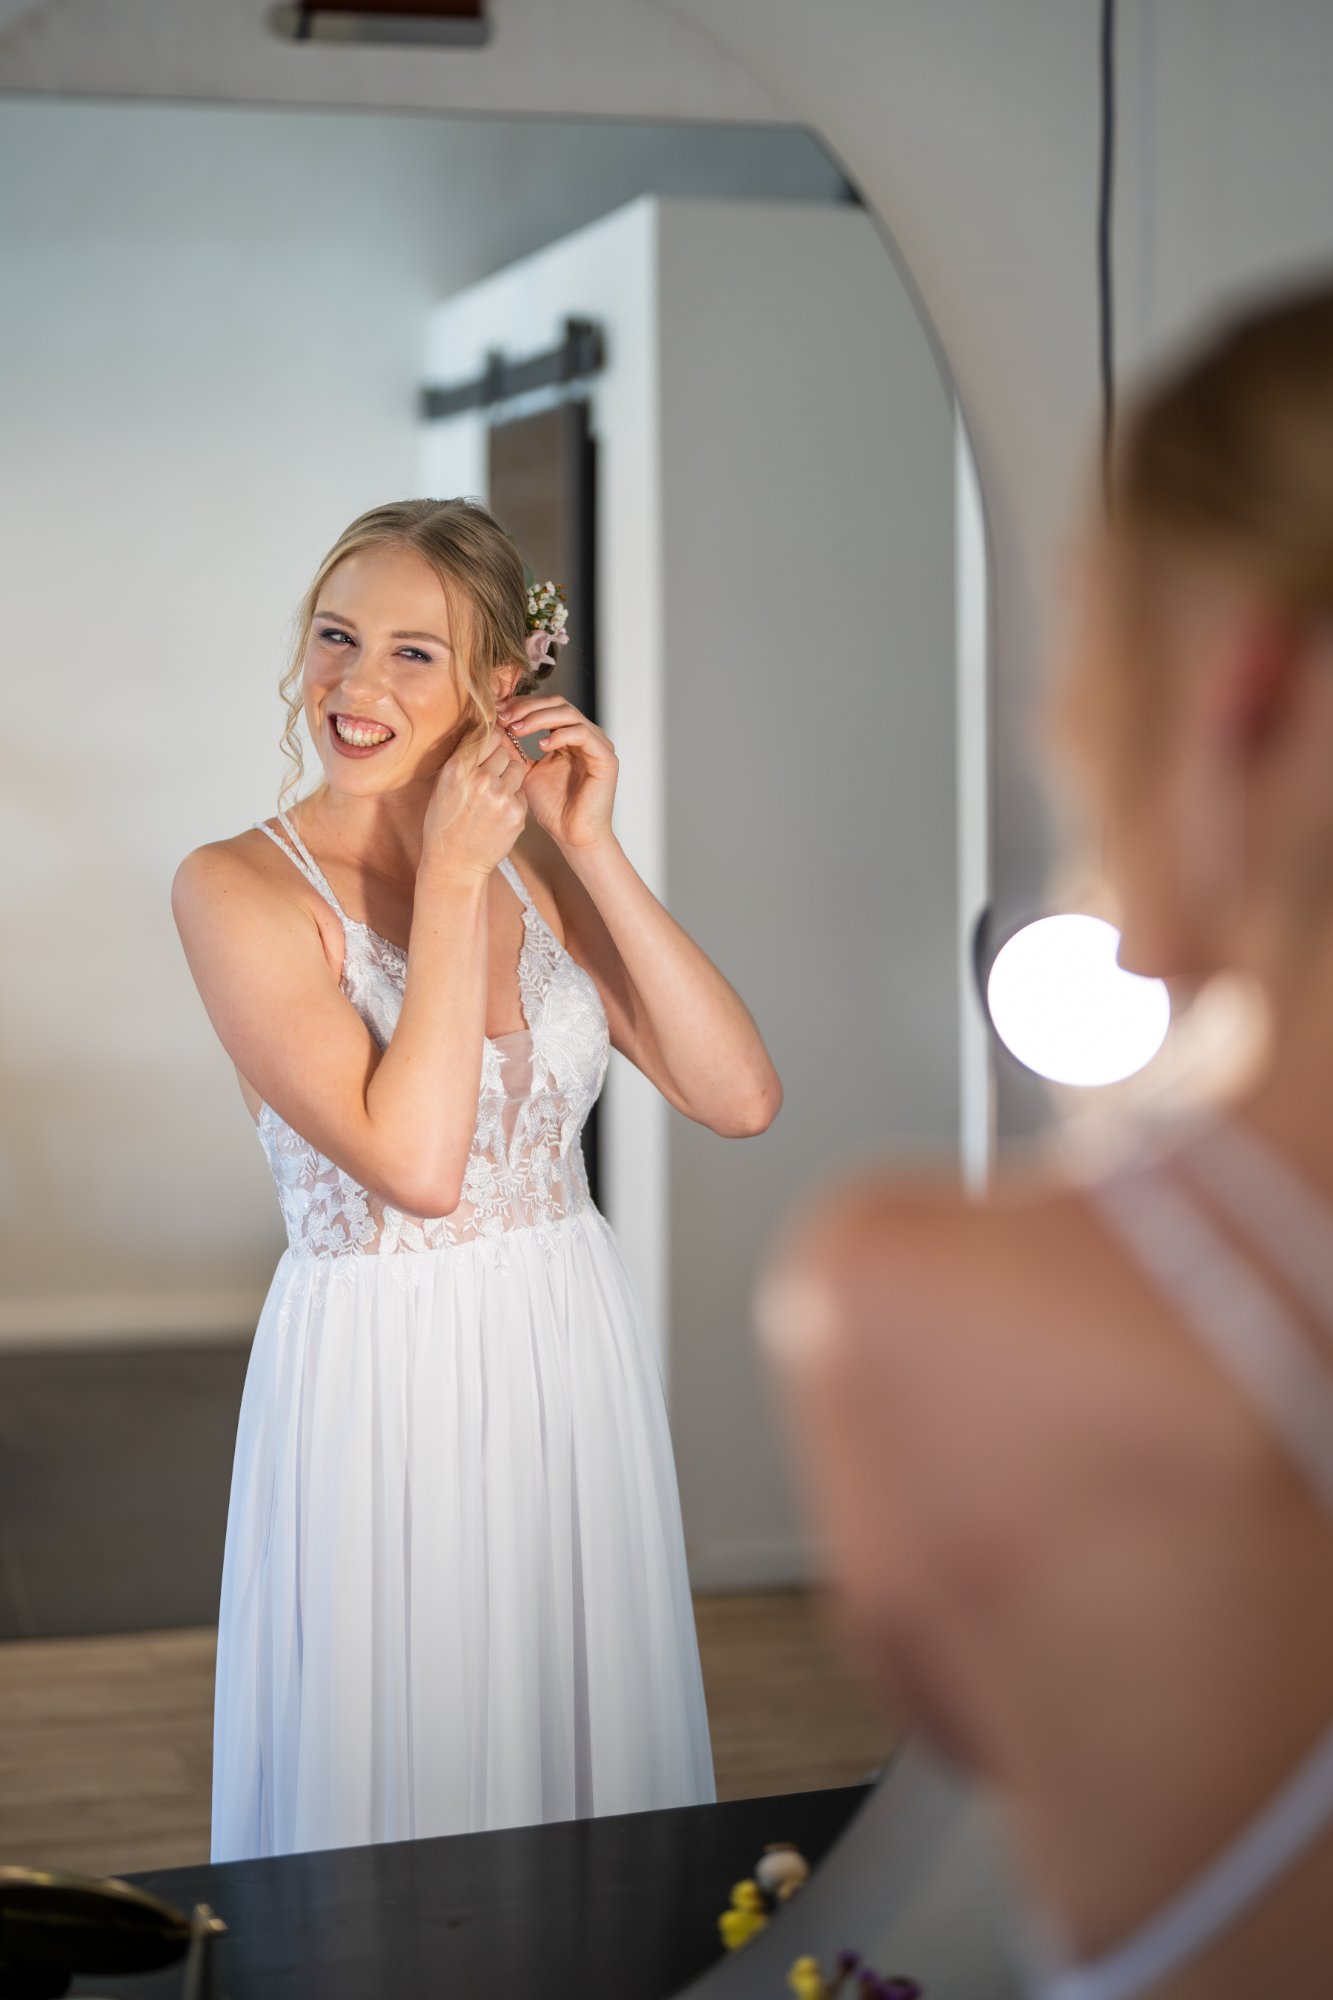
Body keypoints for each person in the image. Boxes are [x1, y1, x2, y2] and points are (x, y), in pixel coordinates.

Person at [756, 282, 1333, 1999]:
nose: (1055, 719)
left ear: (1234, 690)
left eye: (1088, 638)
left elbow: (977, 1707)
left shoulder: (911, 1299)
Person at [172, 497, 782, 1860]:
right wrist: (448, 883)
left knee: (579, 1747)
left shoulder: (535, 872)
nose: (354, 684)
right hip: (380, 1374)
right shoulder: (236, 889)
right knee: (405, 1762)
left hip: (566, 1343)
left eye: (412, 653)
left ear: (501, 686)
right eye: (336, 638)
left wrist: (589, 848)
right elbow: (416, 1166)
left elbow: (736, 1096)